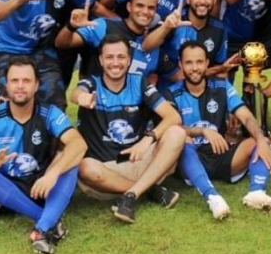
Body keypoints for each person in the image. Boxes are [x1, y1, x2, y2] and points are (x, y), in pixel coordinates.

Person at [0, 56, 87, 254]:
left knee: (71, 160)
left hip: (40, 189)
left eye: (26, 81)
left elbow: (78, 143)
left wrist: (53, 173)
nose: (20, 86)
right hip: (2, 193)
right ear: (6, 86)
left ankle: (41, 228)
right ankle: (47, 222)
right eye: (15, 81)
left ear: (36, 85)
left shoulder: (49, 113)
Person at [73, 35, 186, 224]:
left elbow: (173, 116)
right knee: (85, 167)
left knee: (177, 133)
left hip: (139, 161)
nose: (115, 63)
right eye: (109, 57)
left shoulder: (139, 83)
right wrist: (81, 98)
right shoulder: (92, 83)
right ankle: (148, 190)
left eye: (121, 57)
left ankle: (132, 194)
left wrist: (147, 139)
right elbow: (77, 92)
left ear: (129, 60)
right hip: (105, 174)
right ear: (101, 60)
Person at [168, 42, 271, 219]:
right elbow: (171, 128)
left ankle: (257, 193)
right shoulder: (171, 93)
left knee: (256, 141)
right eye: (189, 63)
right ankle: (212, 197)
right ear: (180, 65)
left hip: (220, 152)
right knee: (182, 139)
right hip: (192, 157)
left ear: (207, 63)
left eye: (199, 62)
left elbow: (245, 116)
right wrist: (203, 131)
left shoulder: (222, 87)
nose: (195, 68)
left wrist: (260, 139)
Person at [143, 0, 237, 82]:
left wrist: (223, 70)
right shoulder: (172, 20)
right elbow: (146, 46)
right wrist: (166, 27)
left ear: (214, 0)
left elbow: (221, 73)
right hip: (169, 90)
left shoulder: (219, 29)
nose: (202, 1)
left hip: (201, 92)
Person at [57, 0, 162, 79]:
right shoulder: (103, 26)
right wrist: (71, 26)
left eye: (151, 8)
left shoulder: (154, 44)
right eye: (140, 5)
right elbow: (62, 43)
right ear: (129, 7)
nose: (145, 11)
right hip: (95, 98)